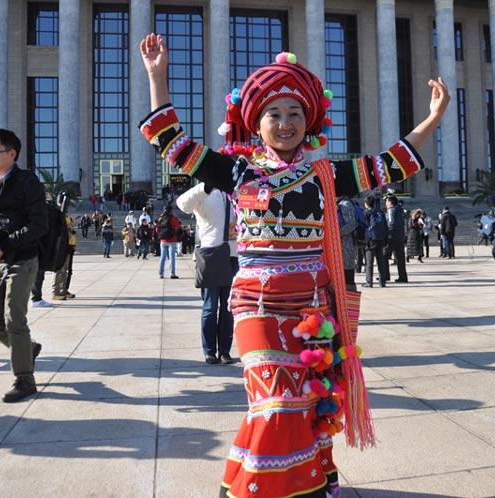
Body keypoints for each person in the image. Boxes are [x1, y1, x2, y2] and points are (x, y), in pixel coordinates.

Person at [138, 32, 446, 497]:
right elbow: (172, 144)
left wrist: (433, 118)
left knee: (303, 402)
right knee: (276, 402)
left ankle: (281, 485)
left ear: (310, 120)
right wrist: (157, 77)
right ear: (255, 123)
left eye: (295, 113)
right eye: (274, 115)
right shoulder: (235, 171)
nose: (286, 124)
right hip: (257, 308)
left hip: (310, 312)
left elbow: (392, 164)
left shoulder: (325, 174)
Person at [0, 129, 46, 402]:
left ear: (12, 154)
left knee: (14, 318)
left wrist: (8, 243)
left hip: (23, 258)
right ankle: (29, 349)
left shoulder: (28, 182)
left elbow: (39, 225)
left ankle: (25, 379)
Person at [176, 182, 238, 364]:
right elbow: (183, 204)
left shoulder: (235, 193)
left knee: (229, 308)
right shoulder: (204, 193)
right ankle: (209, 350)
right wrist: (206, 187)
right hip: (211, 255)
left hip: (233, 256)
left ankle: (225, 351)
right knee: (210, 307)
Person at [363, 196, 389, 288]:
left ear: (366, 203)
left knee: (369, 262)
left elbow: (364, 226)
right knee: (380, 261)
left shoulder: (366, 212)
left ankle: (369, 282)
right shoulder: (380, 212)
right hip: (381, 238)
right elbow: (385, 225)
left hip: (371, 239)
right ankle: (382, 282)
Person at [52, 214, 77, 300]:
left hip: (68, 247)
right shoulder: (59, 214)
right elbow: (62, 221)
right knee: (59, 270)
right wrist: (70, 219)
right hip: (61, 248)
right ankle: (56, 292)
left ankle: (63, 290)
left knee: (65, 271)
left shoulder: (67, 220)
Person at [384, 195, 408, 282]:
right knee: (400, 258)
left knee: (383, 254)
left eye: (386, 201)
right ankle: (403, 277)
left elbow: (391, 223)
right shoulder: (400, 210)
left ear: (390, 203)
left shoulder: (391, 210)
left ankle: (385, 275)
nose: (385, 203)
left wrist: (387, 234)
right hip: (400, 236)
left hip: (392, 236)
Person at [337, 196, 358, 288]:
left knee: (348, 278)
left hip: (346, 245)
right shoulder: (338, 204)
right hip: (339, 247)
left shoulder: (345, 204)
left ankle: (349, 301)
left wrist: (336, 233)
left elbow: (351, 224)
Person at [155, 206, 180, 278]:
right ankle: (172, 273)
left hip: (163, 241)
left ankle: (161, 273)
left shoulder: (161, 218)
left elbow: (157, 229)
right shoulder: (173, 218)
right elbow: (178, 227)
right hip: (172, 240)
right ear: (171, 211)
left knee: (162, 257)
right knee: (172, 258)